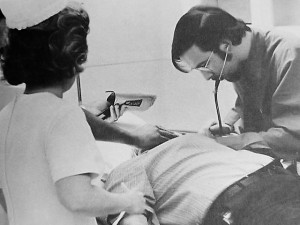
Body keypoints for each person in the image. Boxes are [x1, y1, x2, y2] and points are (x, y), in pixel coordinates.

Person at [0, 2, 148, 224]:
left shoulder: (5, 116)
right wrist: (128, 202)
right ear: (72, 61)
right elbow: (78, 198)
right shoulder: (65, 115)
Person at [171, 6, 300, 161]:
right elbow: (247, 103)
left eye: (204, 65)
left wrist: (233, 142)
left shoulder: (290, 55)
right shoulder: (243, 57)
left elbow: (293, 136)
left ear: (226, 46)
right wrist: (227, 125)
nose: (206, 77)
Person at [99, 133, 300, 225]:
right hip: (282, 180)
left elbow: (133, 219)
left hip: (241, 206)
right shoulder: (195, 140)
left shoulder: (130, 167)